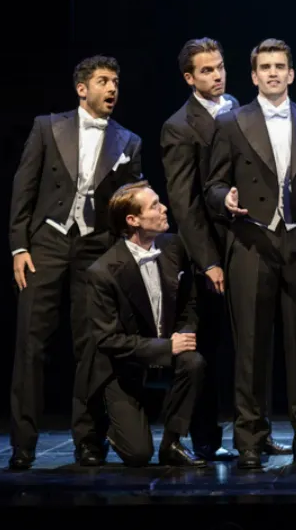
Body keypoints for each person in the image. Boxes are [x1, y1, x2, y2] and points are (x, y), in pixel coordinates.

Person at [205, 38, 296, 468]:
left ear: (291, 74)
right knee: (250, 346)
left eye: (279, 66)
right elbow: (211, 184)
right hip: (251, 242)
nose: (272, 72)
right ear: (253, 76)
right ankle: (250, 437)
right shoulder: (232, 122)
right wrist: (223, 200)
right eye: (264, 66)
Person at [7, 55, 143, 470]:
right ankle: (23, 443)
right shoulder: (48, 127)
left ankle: (88, 440)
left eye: (116, 81)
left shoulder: (129, 140)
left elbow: (130, 201)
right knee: (32, 343)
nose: (112, 88)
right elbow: (24, 185)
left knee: (91, 346)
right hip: (46, 242)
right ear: (82, 88)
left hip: (95, 248)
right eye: (103, 81)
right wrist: (19, 245)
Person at [76, 181, 207, 467]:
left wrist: (184, 334)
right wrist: (165, 346)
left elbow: (190, 304)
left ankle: (173, 441)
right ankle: (103, 425)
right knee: (138, 455)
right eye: (154, 206)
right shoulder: (103, 272)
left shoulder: (173, 247)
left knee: (193, 362)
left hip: (164, 349)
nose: (164, 209)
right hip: (123, 367)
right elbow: (109, 340)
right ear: (133, 220)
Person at [159, 37, 239, 461]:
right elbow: (184, 203)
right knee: (207, 346)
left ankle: (251, 432)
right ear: (190, 78)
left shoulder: (240, 108)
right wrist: (208, 260)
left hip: (245, 243)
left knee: (246, 342)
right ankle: (206, 437)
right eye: (207, 70)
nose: (217, 75)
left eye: (220, 67)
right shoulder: (179, 126)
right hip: (207, 252)